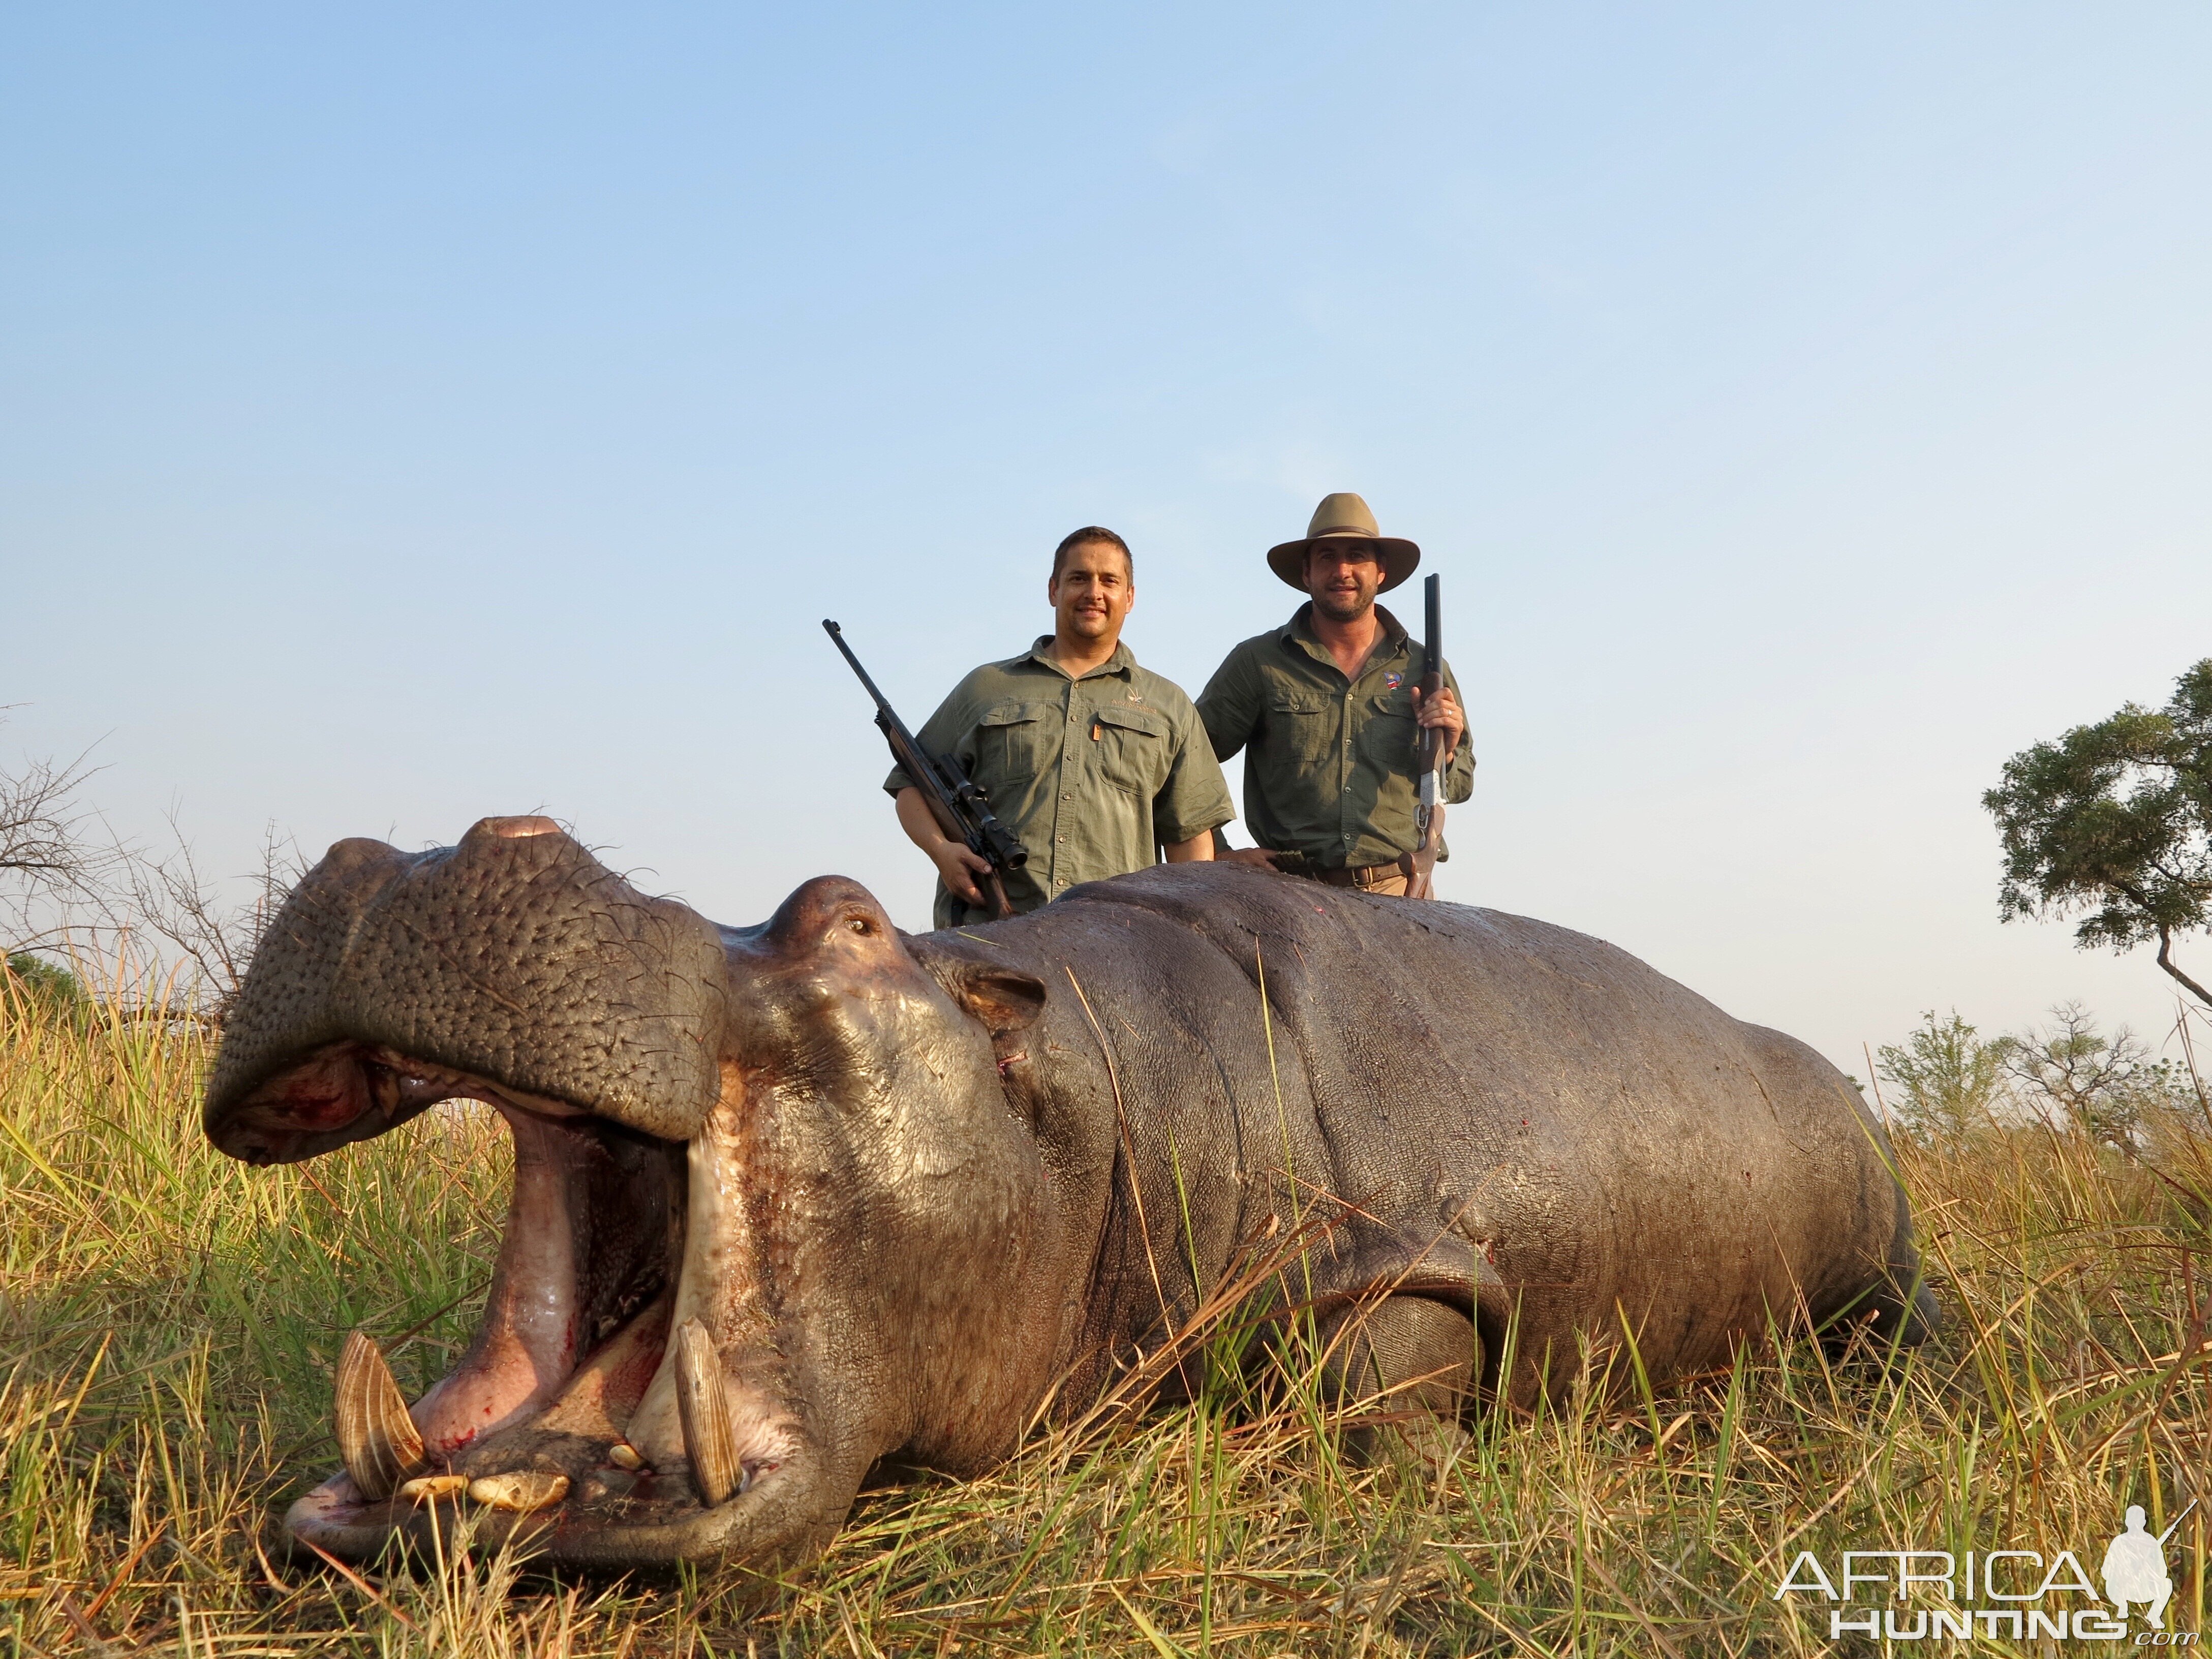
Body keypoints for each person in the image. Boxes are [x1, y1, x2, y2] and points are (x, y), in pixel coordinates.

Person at [886, 526, 1234, 926]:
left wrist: (1186, 931)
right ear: (1053, 590)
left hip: (1117, 941)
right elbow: (911, 783)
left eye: (1110, 581)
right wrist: (941, 851)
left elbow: (1189, 836)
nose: (1094, 593)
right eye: (1078, 578)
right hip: (990, 937)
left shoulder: (1169, 705)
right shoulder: (986, 687)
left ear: (1130, 597)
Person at [1196, 493, 1472, 898]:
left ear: (1380, 571)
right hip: (1287, 895)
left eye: (1357, 556)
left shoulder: (1427, 666)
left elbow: (1461, 784)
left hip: (1398, 890)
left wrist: (1446, 752)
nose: (1342, 571)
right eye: (1327, 557)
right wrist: (1219, 854)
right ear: (1307, 573)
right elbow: (1184, 762)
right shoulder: (1258, 661)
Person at [2102, 1506, 2173, 1629]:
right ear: (2127, 1522)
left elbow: (2163, 1571)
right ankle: (2122, 1610)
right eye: (2133, 1520)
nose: (2135, 1524)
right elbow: (2106, 1570)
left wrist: (2148, 1571)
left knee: (2167, 1584)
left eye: (2138, 1520)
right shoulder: (2120, 1541)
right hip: (2121, 1589)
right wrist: (2125, 1571)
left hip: (2145, 1588)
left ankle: (2154, 1615)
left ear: (2144, 1522)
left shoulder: (2151, 1542)